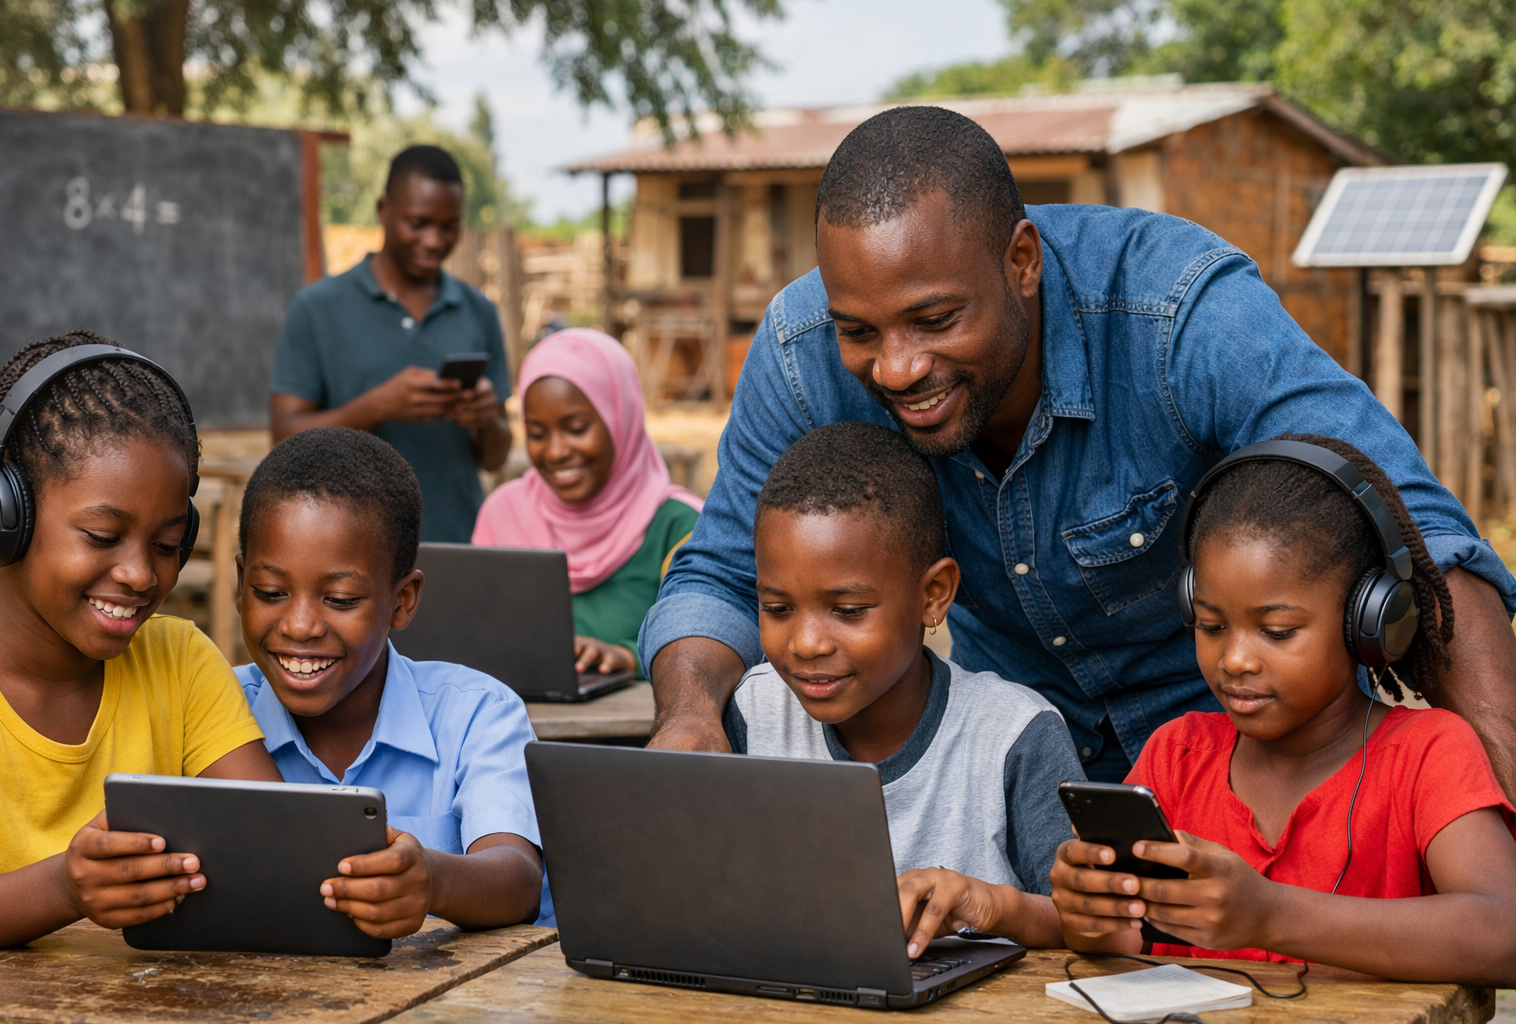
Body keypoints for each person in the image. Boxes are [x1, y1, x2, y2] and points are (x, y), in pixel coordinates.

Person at [639, 105, 1516, 797]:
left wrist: (1495, 791)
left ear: (1022, 259)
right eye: (861, 331)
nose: (898, 366)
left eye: (937, 320)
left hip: (1254, 772)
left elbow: (1418, 537)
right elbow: (716, 577)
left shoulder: (1178, 313)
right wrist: (688, 717)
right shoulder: (799, 357)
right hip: (1028, 780)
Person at [1049, 435, 1516, 985]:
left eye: (1277, 631)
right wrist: (1089, 914)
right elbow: (1124, 941)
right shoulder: (1177, 756)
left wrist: (1270, 915)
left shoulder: (1428, 754)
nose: (1236, 659)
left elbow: (1504, 934)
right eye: (1212, 625)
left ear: (1366, 623)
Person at [726, 422, 1082, 957]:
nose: (805, 643)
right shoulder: (752, 712)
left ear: (933, 595)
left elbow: (1098, 926)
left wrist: (991, 905)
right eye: (776, 608)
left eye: (848, 611)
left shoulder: (1012, 734)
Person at [0, 332, 281, 950]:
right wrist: (63, 888)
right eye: (100, 535)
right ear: (3, 517)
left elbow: (277, 851)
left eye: (168, 545)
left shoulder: (180, 662)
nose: (141, 574)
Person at [234, 427, 549, 936]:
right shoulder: (210, 708)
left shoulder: (476, 714)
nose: (299, 626)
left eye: (339, 600)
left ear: (402, 600)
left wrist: (434, 881)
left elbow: (517, 879)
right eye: (270, 592)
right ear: (239, 586)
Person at [270, 144, 513, 543]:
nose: (434, 241)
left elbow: (495, 456)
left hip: (456, 544)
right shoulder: (317, 308)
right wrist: (378, 406)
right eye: (418, 223)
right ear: (384, 209)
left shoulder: (478, 311)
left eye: (448, 226)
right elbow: (282, 442)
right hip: (344, 547)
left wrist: (486, 418)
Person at [473, 329, 701, 677]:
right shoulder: (503, 514)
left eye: (577, 428)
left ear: (621, 418)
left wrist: (628, 656)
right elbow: (476, 637)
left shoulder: (679, 527)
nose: (556, 451)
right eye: (536, 433)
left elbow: (707, 643)